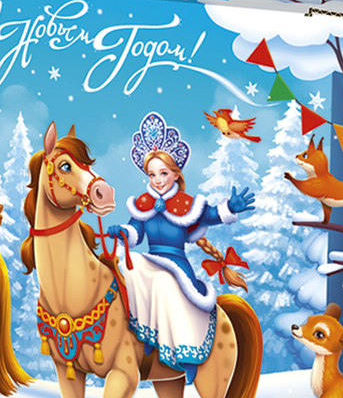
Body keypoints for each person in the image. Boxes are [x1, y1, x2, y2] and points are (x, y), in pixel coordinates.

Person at [107, 111, 254, 384]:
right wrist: (123, 233)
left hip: (175, 264)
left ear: (175, 174)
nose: (157, 180)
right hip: (151, 260)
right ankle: (144, 332)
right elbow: (135, 232)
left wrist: (229, 208)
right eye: (152, 174)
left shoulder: (187, 203)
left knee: (164, 283)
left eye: (163, 173)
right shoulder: (142, 203)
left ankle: (185, 352)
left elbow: (209, 215)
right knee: (130, 266)